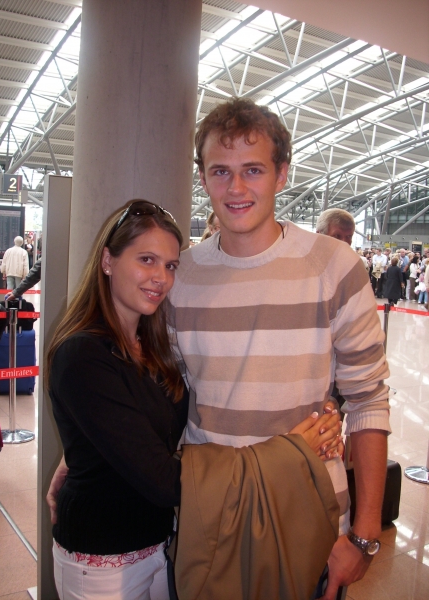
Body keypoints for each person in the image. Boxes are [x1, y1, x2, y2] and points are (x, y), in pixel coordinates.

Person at [46, 199, 341, 600]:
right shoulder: (83, 354)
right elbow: (163, 480)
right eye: (146, 260)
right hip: (102, 558)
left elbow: (140, 432)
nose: (161, 278)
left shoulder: (152, 346)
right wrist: (290, 455)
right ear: (107, 261)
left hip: (161, 545)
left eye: (170, 265)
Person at [168, 98, 389, 600]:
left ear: (281, 174)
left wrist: (363, 536)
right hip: (210, 515)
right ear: (202, 178)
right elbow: (166, 392)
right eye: (220, 172)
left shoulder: (334, 266)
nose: (236, 188)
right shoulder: (182, 276)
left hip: (310, 515)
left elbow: (368, 399)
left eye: (253, 170)